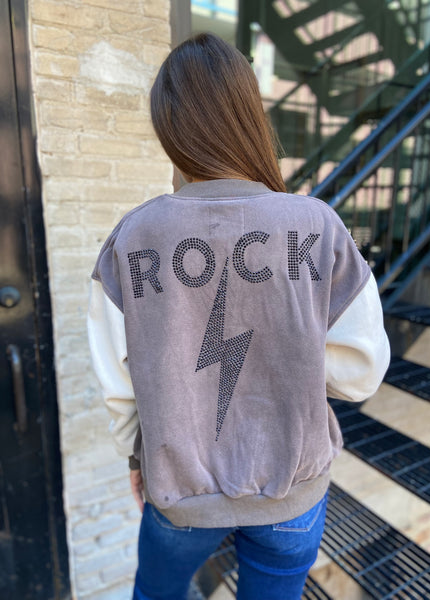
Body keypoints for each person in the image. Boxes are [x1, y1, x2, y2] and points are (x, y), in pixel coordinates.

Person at [88, 33, 390, 600]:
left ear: (168, 126)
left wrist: (139, 457)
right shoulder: (318, 227)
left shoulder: (132, 238)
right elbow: (360, 373)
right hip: (292, 493)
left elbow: (118, 385)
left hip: (178, 493)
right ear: (250, 114)